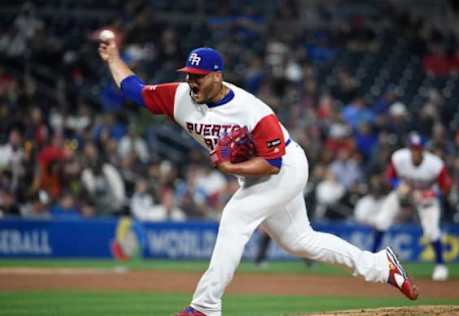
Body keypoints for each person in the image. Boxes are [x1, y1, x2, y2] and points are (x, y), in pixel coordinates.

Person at [98, 38, 418, 316]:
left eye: (197, 77)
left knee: (235, 216)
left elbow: (273, 163)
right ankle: (380, 266)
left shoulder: (253, 111)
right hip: (255, 176)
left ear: (216, 76)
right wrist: (113, 58)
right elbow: (134, 89)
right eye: (188, 75)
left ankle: (205, 306)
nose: (191, 82)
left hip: (286, 167)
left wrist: (230, 168)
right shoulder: (178, 96)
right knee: (300, 241)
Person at [371, 132, 452, 281]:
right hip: (405, 193)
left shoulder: (435, 164)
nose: (415, 152)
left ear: (423, 150)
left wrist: (432, 194)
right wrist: (398, 185)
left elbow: (446, 187)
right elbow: (390, 177)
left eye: (418, 149)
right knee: (381, 220)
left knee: (432, 231)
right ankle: (371, 260)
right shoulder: (399, 158)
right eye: (413, 148)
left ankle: (440, 266)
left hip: (425, 197)